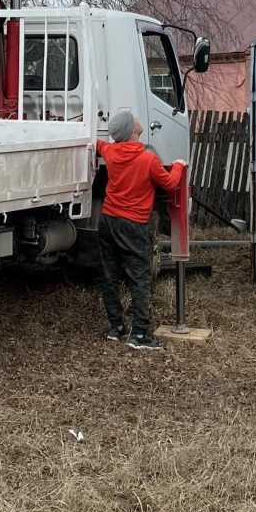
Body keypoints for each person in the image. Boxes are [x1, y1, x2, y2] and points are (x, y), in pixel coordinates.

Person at [95, 109, 186, 352]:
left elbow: (97, 144)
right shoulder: (147, 159)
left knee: (109, 275)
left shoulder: (110, 152)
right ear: (132, 130)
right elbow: (169, 183)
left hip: (107, 220)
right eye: (133, 119)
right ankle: (140, 335)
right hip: (133, 224)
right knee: (139, 278)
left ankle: (116, 327)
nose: (137, 119)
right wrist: (178, 165)